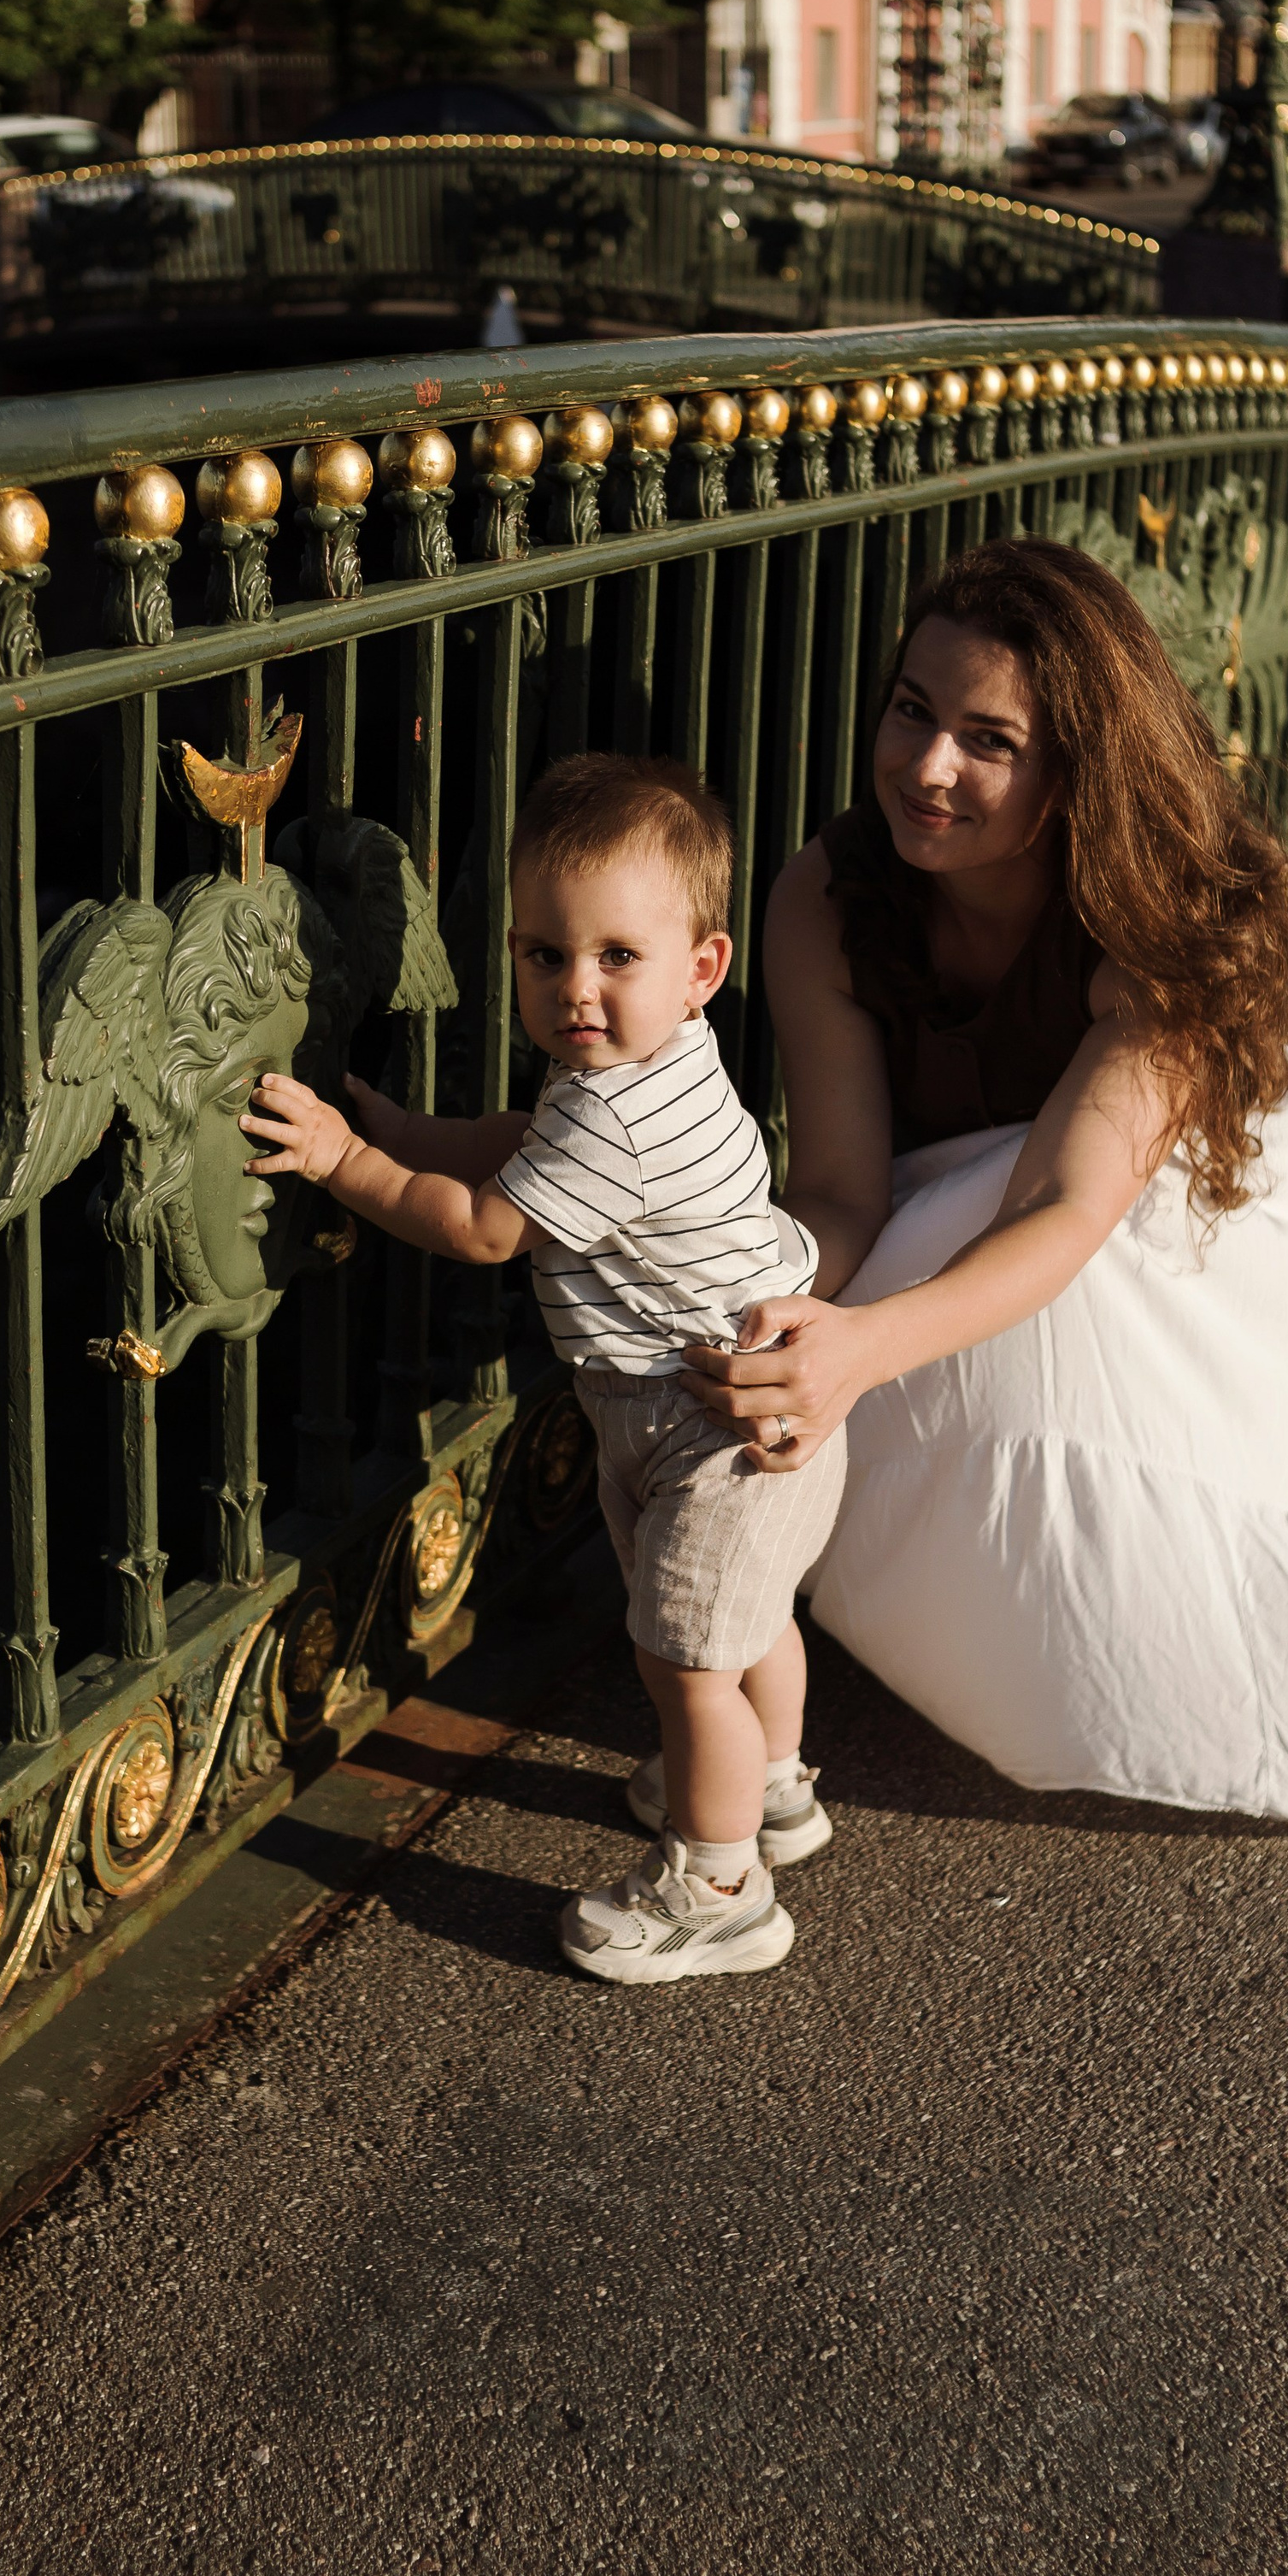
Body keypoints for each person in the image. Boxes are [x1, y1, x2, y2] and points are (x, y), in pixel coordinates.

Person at [682, 539, 1288, 1835]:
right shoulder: (826, 892)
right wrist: (762, 1308)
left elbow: (1061, 1206)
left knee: (1143, 1552)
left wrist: (858, 1351)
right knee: (908, 1253)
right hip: (937, 1248)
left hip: (1106, 1252)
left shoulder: (1150, 941)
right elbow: (850, 1189)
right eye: (913, 710)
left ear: (1073, 771)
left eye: (990, 741)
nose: (927, 766)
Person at [249, 752, 845, 1978]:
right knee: (743, 1634)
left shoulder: (617, 1115)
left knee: (681, 1663)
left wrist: (337, 1162)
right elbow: (520, 1144)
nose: (576, 988)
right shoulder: (651, 1066)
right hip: (750, 1403)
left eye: (615, 958)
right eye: (543, 955)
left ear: (702, 968)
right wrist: (403, 1134)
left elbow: (479, 1225)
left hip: (706, 1432)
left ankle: (721, 1886)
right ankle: (770, 1785)